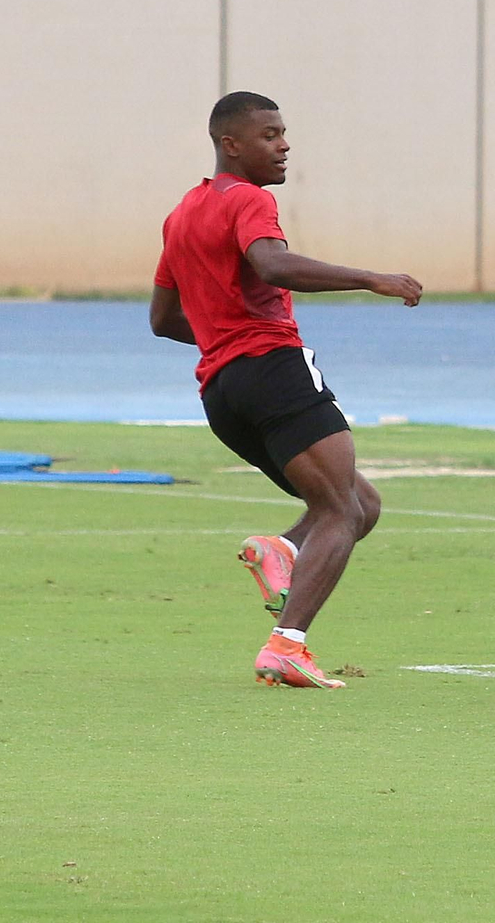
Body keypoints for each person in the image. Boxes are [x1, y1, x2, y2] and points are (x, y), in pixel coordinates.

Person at [150, 91, 423, 689]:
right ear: (231, 145)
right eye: (270, 135)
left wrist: (225, 336)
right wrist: (371, 278)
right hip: (273, 369)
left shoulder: (182, 213)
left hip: (223, 393)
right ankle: (287, 644)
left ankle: (282, 551)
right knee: (340, 509)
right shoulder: (248, 200)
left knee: (361, 506)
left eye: (283, 133)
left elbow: (163, 320)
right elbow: (272, 265)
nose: (284, 145)